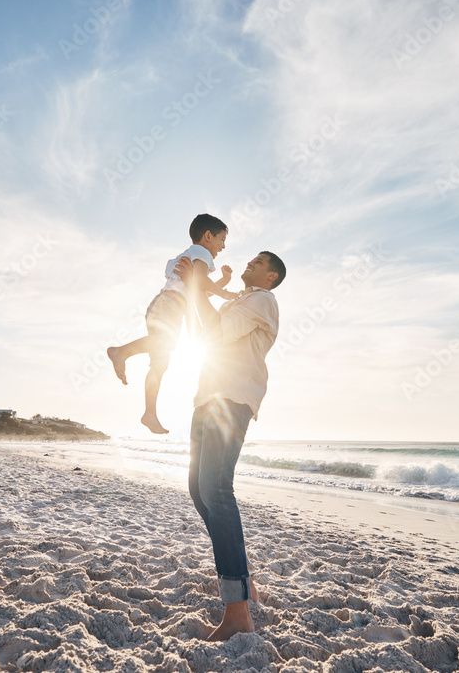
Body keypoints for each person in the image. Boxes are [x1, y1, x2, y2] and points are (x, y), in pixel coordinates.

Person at [173, 249, 286, 641]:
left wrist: (196, 287)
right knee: (200, 491)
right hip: (208, 397)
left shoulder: (262, 301)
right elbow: (205, 333)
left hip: (232, 398)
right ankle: (244, 582)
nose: (248, 264)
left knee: (217, 491)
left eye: (258, 263)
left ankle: (238, 613)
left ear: (271, 277)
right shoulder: (240, 300)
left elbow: (218, 330)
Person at [107, 214, 238, 435]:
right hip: (169, 305)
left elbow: (199, 290)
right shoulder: (202, 252)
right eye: (222, 239)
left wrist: (223, 281)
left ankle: (149, 413)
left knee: (159, 364)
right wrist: (225, 291)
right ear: (208, 236)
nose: (223, 246)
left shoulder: (196, 255)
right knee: (165, 342)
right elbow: (199, 282)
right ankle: (121, 351)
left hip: (165, 306)